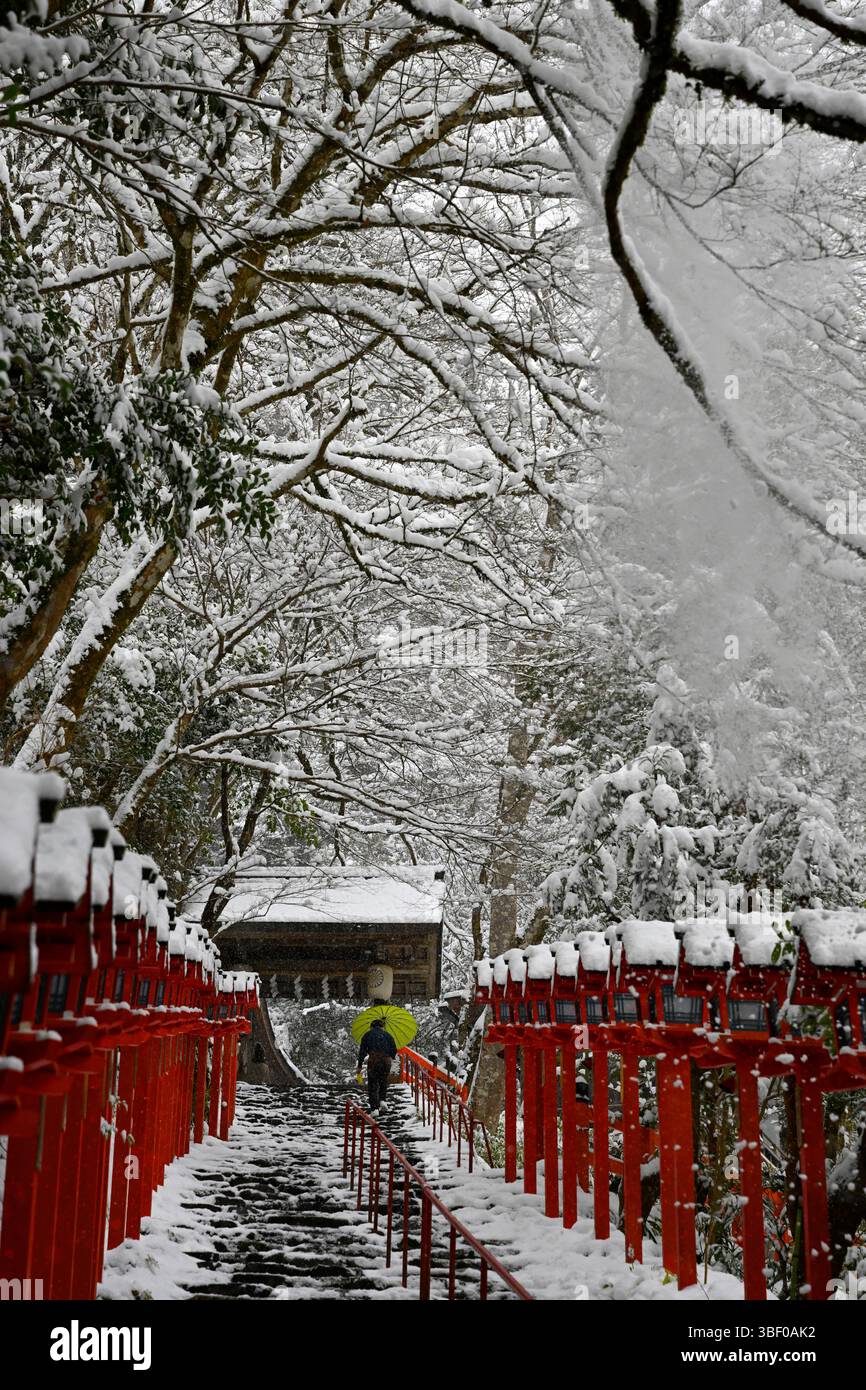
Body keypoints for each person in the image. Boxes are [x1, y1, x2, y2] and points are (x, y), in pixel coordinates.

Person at [356, 1016, 397, 1114]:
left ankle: (374, 1108)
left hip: (374, 1061)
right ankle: (382, 1100)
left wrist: (360, 1066)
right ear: (382, 1026)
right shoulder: (388, 1035)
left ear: (371, 1027)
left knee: (373, 1084)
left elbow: (362, 1052)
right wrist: (389, 1055)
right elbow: (394, 1051)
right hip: (386, 1061)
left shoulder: (367, 1035)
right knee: (383, 1081)